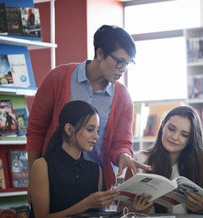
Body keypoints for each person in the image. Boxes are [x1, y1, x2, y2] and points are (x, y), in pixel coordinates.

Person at [26, 24, 151, 191]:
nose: (123, 70)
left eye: (128, 64)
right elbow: (35, 130)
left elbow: (121, 143)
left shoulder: (123, 97)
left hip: (96, 185)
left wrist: (124, 155)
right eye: (120, 62)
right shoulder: (58, 78)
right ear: (100, 53)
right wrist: (34, 180)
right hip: (52, 181)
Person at [121, 105, 203, 214]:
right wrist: (134, 211)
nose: (175, 137)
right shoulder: (139, 159)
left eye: (184, 134)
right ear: (163, 126)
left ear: (190, 139)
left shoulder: (201, 157)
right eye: (171, 129)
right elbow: (120, 210)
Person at [29, 100, 118, 218]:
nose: (96, 136)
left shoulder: (96, 170)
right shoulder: (42, 166)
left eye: (97, 130)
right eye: (90, 129)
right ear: (69, 129)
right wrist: (86, 204)